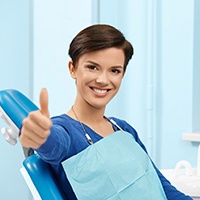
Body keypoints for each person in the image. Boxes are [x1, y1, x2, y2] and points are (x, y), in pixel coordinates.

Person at [20, 24, 192, 199]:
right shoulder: (65, 131)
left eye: (114, 71)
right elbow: (53, 145)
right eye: (92, 67)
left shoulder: (124, 129)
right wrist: (41, 136)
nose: (103, 80)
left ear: (122, 75)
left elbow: (161, 186)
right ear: (73, 68)